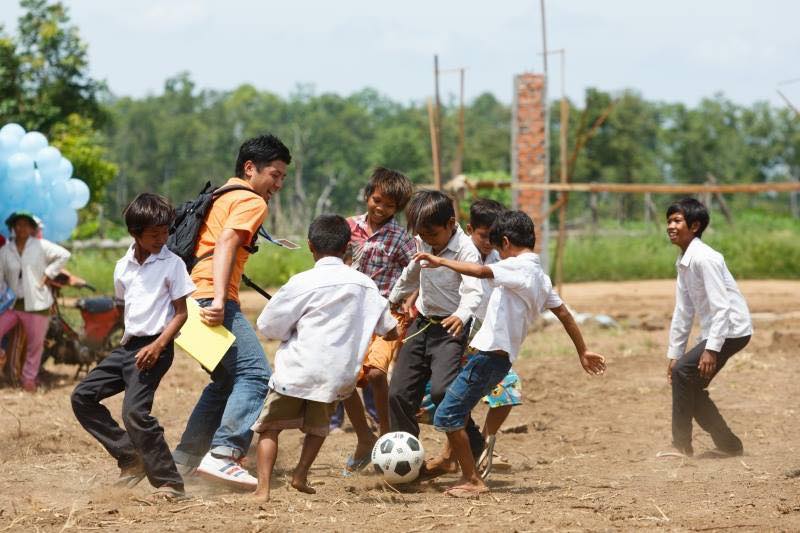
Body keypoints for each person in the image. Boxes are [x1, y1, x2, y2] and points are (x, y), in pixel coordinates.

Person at [414, 209, 606, 498]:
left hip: (489, 356)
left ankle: (471, 479)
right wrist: (583, 350)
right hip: (496, 358)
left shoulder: (519, 268)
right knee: (454, 410)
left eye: (498, 249)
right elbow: (564, 313)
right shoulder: (540, 276)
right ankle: (455, 462)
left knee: (449, 414)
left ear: (505, 242)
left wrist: (439, 260)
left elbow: (480, 271)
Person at [172, 134, 291, 488]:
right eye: (275, 174)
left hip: (190, 296)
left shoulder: (218, 195)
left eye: (283, 177)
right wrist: (222, 298)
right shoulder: (251, 201)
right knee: (255, 376)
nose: (278, 184)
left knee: (226, 380)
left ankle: (184, 461)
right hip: (212, 296)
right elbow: (226, 242)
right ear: (250, 168)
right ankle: (225, 454)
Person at [251, 215, 397, 501]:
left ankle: (263, 489)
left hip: (296, 372)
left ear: (309, 246)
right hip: (336, 377)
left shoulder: (301, 282)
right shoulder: (365, 284)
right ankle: (300, 474)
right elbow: (388, 326)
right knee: (318, 429)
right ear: (347, 247)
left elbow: (268, 326)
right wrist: (390, 336)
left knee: (270, 428)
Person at [71, 194, 195, 501]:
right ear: (134, 233)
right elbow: (124, 307)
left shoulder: (173, 264)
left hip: (156, 347)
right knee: (82, 397)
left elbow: (181, 313)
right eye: (154, 234)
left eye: (165, 232)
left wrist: (158, 345)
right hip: (128, 348)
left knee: (135, 413)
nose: (162, 239)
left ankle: (170, 483)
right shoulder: (122, 267)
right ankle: (130, 457)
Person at [419, 199, 522, 478]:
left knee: (508, 392)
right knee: (445, 400)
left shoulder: (501, 261)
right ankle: (451, 455)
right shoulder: (455, 254)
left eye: (494, 237)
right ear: (469, 229)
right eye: (483, 235)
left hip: (487, 342)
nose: (488, 242)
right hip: (454, 337)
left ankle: (483, 444)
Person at [387, 190, 485, 466]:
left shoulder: (466, 250)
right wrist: (394, 299)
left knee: (443, 391)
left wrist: (462, 314)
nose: (427, 241)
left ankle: (474, 443)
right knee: (398, 393)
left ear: (451, 223)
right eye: (422, 235)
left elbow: (474, 291)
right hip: (422, 324)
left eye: (432, 235)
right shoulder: (422, 241)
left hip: (451, 329)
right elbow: (411, 272)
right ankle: (406, 460)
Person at [664, 198, 752, 458]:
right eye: (669, 221)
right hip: (719, 329)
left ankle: (681, 446)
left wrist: (711, 350)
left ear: (695, 225)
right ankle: (729, 445)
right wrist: (674, 353)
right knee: (686, 380)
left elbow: (722, 307)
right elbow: (683, 311)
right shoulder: (684, 261)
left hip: (732, 330)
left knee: (683, 374)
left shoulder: (706, 258)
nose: (670, 226)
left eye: (677, 221)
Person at [341, 167, 415, 472]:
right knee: (343, 380)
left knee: (374, 374)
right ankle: (364, 437)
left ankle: (385, 433)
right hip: (350, 315)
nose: (381, 209)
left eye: (389, 206)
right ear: (368, 194)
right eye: (377, 200)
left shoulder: (400, 237)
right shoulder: (347, 228)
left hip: (387, 315)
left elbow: (416, 271)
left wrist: (410, 302)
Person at [0, 211, 70, 391]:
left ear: (32, 228)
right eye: (18, 224)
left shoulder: (40, 245)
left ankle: (28, 381)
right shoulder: (6, 250)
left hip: (38, 305)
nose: (21, 228)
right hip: (13, 304)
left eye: (26, 225)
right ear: (13, 228)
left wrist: (48, 274)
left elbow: (64, 255)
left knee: (35, 346)